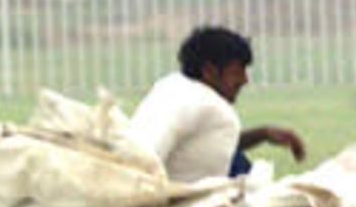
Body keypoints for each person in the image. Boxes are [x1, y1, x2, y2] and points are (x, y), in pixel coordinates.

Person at [128, 26, 306, 184]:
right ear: (209, 71)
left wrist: (263, 134)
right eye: (237, 72)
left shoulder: (171, 86)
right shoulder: (207, 106)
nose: (244, 80)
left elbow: (208, 144)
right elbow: (144, 159)